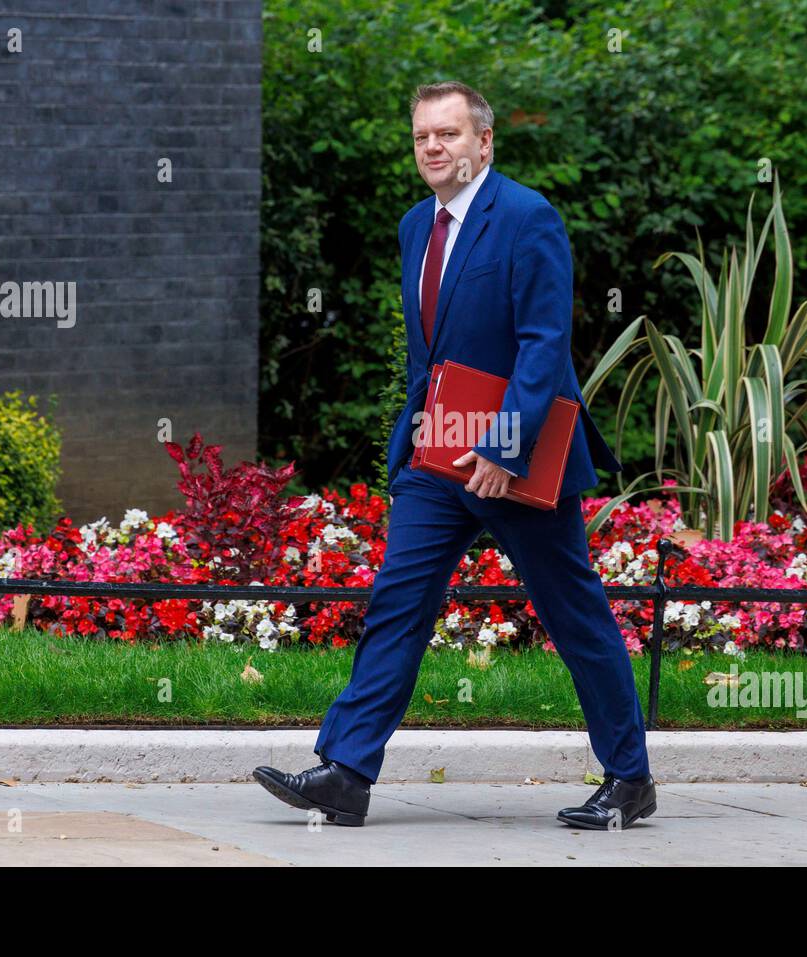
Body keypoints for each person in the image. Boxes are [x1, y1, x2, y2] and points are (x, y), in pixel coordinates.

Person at [254, 81, 654, 829]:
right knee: (397, 602)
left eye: (448, 134)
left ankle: (630, 777)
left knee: (573, 615)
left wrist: (504, 444)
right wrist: (413, 439)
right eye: (421, 137)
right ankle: (345, 771)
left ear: (484, 143)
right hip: (435, 461)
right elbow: (428, 352)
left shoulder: (529, 218)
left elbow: (544, 345)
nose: (433, 148)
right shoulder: (416, 226)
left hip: (518, 460)